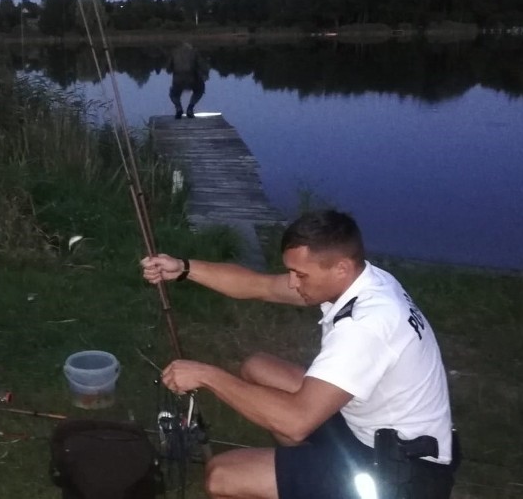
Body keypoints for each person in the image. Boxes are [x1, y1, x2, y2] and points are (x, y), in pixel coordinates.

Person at [141, 209, 456, 499]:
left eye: (300, 275)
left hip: (401, 471)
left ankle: (329, 482)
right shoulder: (366, 281)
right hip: (373, 427)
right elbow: (259, 285)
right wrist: (184, 268)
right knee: (258, 368)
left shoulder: (367, 327)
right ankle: (312, 476)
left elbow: (295, 422)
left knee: (220, 476)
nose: (292, 282)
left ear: (341, 268)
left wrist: (207, 375)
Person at [166, 41, 208, 118]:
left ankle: (178, 107)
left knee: (174, 94)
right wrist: (205, 74)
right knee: (200, 90)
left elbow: (168, 69)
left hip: (178, 79)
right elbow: (202, 65)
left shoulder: (174, 53)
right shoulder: (195, 52)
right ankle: (190, 108)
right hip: (193, 79)